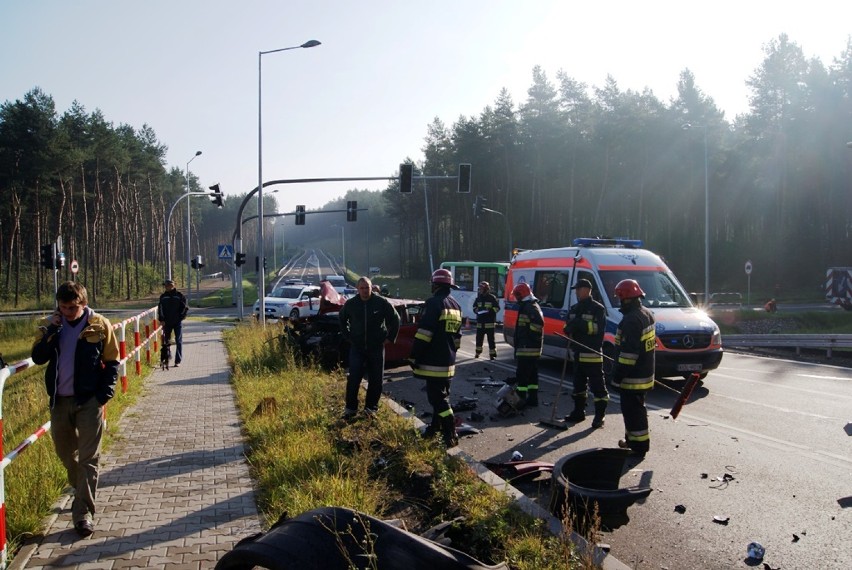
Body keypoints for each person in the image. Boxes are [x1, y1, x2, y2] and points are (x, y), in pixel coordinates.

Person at [31, 281, 120, 538]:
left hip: (89, 400)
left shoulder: (99, 325)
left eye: (72, 307)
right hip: (59, 401)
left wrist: (103, 394)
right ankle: (81, 491)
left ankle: (83, 514)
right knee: (65, 453)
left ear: (83, 304)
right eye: (63, 307)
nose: (68, 312)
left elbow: (112, 361)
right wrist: (52, 329)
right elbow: (38, 357)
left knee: (89, 459)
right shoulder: (48, 325)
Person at [410, 269, 463, 447]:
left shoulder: (433, 304)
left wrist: (414, 354)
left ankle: (450, 432)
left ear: (435, 285)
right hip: (448, 361)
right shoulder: (456, 305)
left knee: (437, 399)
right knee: (441, 396)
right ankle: (434, 428)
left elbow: (425, 333)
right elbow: (457, 337)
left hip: (433, 361)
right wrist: (451, 353)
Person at [339, 276, 400, 419]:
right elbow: (342, 320)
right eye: (362, 288)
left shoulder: (381, 302)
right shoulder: (351, 304)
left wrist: (390, 338)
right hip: (357, 348)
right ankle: (350, 409)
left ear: (371, 288)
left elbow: (395, 319)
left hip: (376, 347)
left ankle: (371, 409)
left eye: (367, 287)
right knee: (354, 378)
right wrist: (348, 336)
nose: (365, 291)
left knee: (376, 379)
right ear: (357, 289)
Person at [612, 279, 656, 457]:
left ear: (626, 298)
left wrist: (617, 376)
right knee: (635, 410)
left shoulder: (631, 321)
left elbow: (629, 355)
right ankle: (632, 441)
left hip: (633, 378)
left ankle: (639, 447)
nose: (618, 301)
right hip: (645, 373)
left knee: (633, 413)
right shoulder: (647, 314)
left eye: (619, 298)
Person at [563, 279, 609, 427]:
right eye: (576, 289)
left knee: (598, 388)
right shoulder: (574, 308)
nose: (576, 292)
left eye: (579, 289)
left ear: (587, 290)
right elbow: (567, 325)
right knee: (578, 386)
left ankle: (599, 416)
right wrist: (568, 329)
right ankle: (578, 412)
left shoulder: (598, 309)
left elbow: (597, 330)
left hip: (592, 354)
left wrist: (578, 324)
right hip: (577, 353)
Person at [512, 282, 543, 407]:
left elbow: (538, 325)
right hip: (530, 347)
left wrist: (526, 339)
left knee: (522, 375)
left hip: (527, 348)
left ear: (521, 294)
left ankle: (522, 399)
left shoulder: (529, 307)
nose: (516, 298)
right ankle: (533, 399)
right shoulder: (530, 305)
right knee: (532, 375)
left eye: (517, 295)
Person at [157, 279, 188, 368]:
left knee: (178, 341)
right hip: (167, 323)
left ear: (172, 286)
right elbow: (160, 309)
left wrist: (181, 317)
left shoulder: (179, 296)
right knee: (166, 342)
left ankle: (177, 361)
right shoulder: (163, 297)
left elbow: (184, 308)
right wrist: (161, 320)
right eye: (165, 286)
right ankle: (167, 358)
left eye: (167, 285)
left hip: (177, 322)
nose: (166, 287)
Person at [472, 281, 499, 360]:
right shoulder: (478, 298)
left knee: (491, 340)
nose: (480, 290)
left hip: (489, 323)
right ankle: (477, 352)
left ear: (485, 289)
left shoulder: (492, 298)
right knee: (479, 339)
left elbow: (497, 308)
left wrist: (490, 311)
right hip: (480, 323)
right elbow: (474, 307)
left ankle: (492, 354)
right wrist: (477, 310)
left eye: (481, 289)